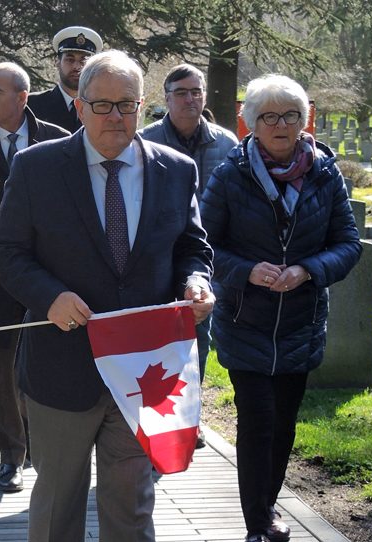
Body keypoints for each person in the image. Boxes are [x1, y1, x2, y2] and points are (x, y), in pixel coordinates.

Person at [0, 50, 214, 542]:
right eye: (102, 105)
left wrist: (197, 282)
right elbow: (7, 252)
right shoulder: (39, 168)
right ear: (80, 105)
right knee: (59, 502)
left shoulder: (174, 169)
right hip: (63, 371)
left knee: (131, 507)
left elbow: (193, 245)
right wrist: (50, 296)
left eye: (127, 106)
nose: (115, 117)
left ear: (144, 106)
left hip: (144, 375)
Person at [200, 74, 361, 542]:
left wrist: (307, 271)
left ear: (304, 120)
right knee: (257, 423)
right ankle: (254, 532)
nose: (281, 125)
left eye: (290, 115)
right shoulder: (230, 174)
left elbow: (347, 244)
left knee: (284, 425)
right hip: (245, 318)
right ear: (250, 123)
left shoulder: (325, 173)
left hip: (301, 320)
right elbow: (204, 245)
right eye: (269, 117)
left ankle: (267, 507)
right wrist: (247, 271)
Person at [0, 62, 68, 493]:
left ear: (22, 97)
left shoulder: (59, 142)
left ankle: (44, 448)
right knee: (2, 365)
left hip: (45, 275)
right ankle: (11, 454)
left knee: (44, 361)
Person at [139, 63, 238, 447]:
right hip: (156, 259)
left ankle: (190, 419)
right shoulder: (146, 140)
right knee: (157, 344)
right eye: (181, 92)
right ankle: (155, 414)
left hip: (205, 259)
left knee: (199, 338)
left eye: (197, 91)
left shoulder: (226, 143)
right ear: (166, 99)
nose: (190, 98)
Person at [27, 27, 102, 133]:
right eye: (70, 60)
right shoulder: (32, 105)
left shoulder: (101, 108)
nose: (77, 67)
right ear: (57, 62)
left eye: (83, 61)